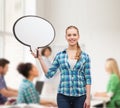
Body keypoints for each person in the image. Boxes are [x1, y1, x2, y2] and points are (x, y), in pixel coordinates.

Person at [32, 25, 91, 108]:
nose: (72, 37)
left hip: (80, 96)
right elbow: (49, 74)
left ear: (78, 36)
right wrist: (40, 59)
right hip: (63, 96)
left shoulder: (85, 56)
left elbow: (87, 78)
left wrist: (88, 98)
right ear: (66, 37)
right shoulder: (60, 56)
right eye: (69, 35)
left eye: (74, 35)